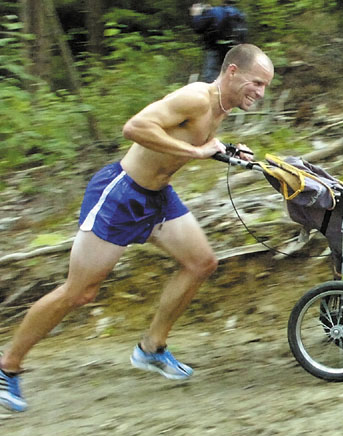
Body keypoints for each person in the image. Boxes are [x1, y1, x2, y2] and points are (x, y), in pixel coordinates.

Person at [0, 44, 274, 412]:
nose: (259, 93)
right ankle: (7, 366)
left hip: (157, 199)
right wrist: (197, 153)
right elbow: (135, 128)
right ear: (232, 72)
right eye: (256, 83)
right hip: (122, 195)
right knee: (78, 292)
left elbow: (186, 139)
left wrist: (223, 150)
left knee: (201, 263)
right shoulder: (195, 97)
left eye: (265, 87)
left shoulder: (220, 107)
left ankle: (151, 348)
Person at [191, 0, 248, 83]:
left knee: (210, 78)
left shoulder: (214, 11)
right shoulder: (239, 14)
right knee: (231, 76)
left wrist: (195, 14)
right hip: (234, 49)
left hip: (215, 49)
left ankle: (214, 94)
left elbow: (198, 27)